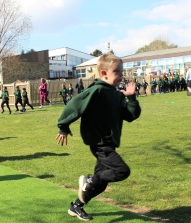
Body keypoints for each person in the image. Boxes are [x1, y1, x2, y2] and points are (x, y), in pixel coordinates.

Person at [55, 54, 141, 221]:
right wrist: (63, 127)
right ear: (104, 73)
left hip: (109, 143)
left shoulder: (116, 94)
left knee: (100, 185)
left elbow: (131, 116)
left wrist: (131, 97)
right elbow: (74, 105)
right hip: (100, 144)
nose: (121, 75)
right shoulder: (97, 90)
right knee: (122, 171)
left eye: (122, 71)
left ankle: (76, 206)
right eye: (117, 71)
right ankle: (89, 179)